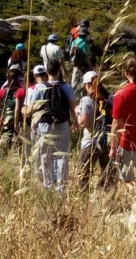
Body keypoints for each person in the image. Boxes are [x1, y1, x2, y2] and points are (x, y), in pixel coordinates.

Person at [24, 59, 78, 192]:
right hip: (63, 124)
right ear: (59, 71)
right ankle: (61, 187)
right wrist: (76, 122)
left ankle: (48, 186)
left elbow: (31, 110)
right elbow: (73, 108)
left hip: (45, 125)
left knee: (45, 155)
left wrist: (23, 111)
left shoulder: (39, 88)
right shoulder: (66, 87)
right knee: (62, 155)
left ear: (47, 72)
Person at [110, 56, 136, 182]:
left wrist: (112, 148)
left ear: (126, 72)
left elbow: (116, 124)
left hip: (127, 143)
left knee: (127, 183)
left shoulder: (121, 94)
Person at [76, 71, 114, 190]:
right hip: (108, 140)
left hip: (91, 141)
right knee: (108, 175)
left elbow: (83, 123)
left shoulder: (87, 100)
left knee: (83, 173)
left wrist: (78, 113)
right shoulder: (111, 98)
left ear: (87, 85)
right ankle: (108, 201)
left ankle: (84, 203)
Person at [23, 64, 47, 178]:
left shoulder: (32, 89)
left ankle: (39, 177)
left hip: (37, 124)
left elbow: (28, 111)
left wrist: (23, 110)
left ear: (34, 75)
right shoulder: (53, 86)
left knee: (37, 151)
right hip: (52, 124)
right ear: (45, 74)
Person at [0, 66, 25, 152]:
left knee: (5, 143)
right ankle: (21, 164)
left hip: (5, 121)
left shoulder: (1, 92)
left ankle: (2, 161)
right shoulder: (20, 91)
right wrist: (16, 123)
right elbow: (17, 108)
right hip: (18, 121)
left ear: (7, 77)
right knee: (20, 144)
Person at [69, 28, 93, 93]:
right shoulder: (85, 44)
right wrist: (90, 66)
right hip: (83, 64)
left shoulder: (74, 42)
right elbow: (87, 56)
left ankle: (72, 91)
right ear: (85, 36)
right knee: (84, 77)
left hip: (75, 62)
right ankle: (83, 92)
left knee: (75, 77)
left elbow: (70, 53)